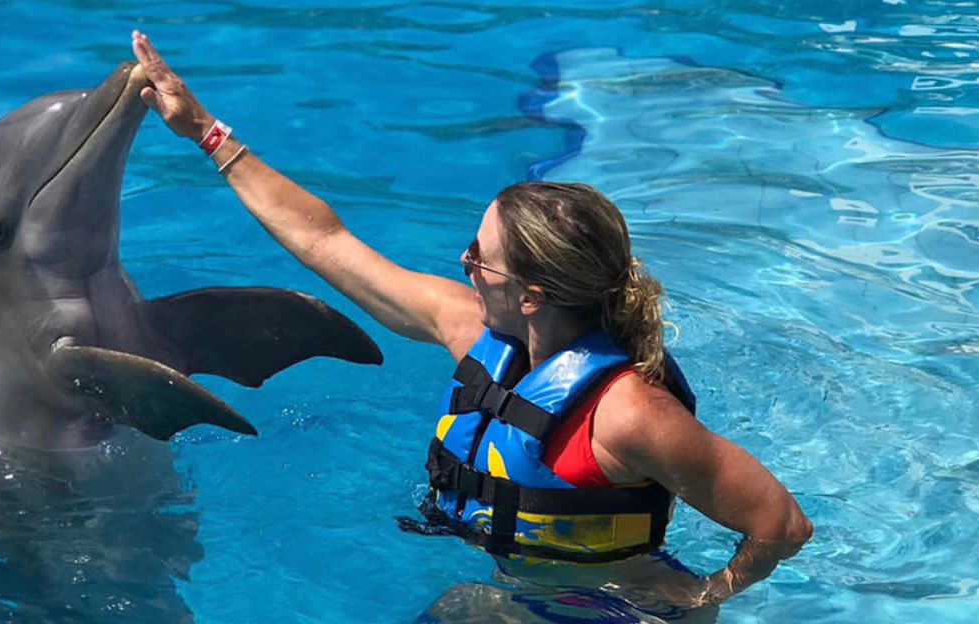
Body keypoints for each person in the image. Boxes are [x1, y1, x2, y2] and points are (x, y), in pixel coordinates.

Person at [130, 30, 812, 610]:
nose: (464, 265)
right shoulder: (474, 330)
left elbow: (781, 523)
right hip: (509, 593)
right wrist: (206, 132)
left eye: (479, 258)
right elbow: (326, 241)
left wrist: (704, 596)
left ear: (533, 295)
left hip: (608, 611)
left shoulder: (630, 415)